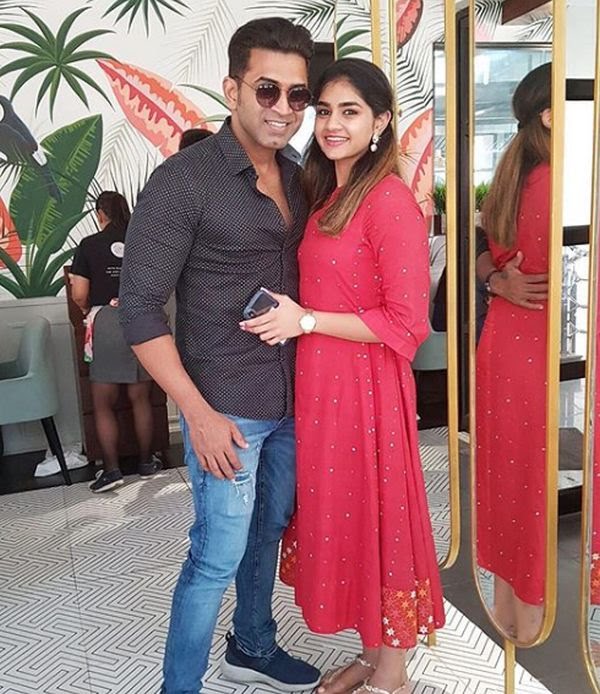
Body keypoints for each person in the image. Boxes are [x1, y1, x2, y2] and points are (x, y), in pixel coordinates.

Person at [118, 17, 320, 694]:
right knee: (215, 556)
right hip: (226, 407)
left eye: (298, 94)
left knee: (268, 531)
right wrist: (195, 414)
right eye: (268, 90)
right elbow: (139, 309)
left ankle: (252, 647)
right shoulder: (184, 181)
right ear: (233, 89)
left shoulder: (300, 177)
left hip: (291, 399)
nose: (284, 108)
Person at [241, 58, 445, 694]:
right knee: (350, 520)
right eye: (325, 110)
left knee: (377, 520)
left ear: (380, 122)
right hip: (323, 385)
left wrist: (305, 320)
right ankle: (372, 653)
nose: (332, 124)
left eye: (350, 112)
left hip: (366, 388)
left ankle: (393, 672)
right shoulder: (328, 192)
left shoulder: (389, 201)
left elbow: (407, 323)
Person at [475, 63, 551, 643]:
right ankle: (531, 620)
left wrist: (495, 280)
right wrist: (498, 279)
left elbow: (482, 255)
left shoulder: (512, 176)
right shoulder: (555, 182)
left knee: (510, 480)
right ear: (550, 115)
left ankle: (510, 612)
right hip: (538, 348)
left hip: (505, 343)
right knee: (533, 483)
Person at [70, 192, 161, 492]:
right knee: (141, 399)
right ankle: (146, 463)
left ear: (101, 214)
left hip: (106, 321)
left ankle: (111, 470)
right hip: (143, 319)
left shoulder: (89, 245)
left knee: (102, 403)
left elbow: (79, 294)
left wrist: (88, 310)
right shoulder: (144, 243)